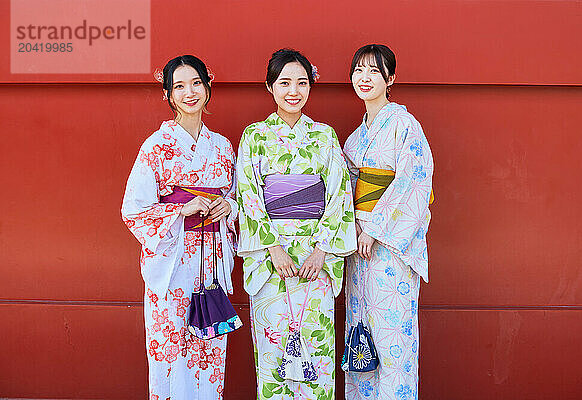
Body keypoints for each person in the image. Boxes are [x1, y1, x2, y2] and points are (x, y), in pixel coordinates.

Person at [236, 48, 356, 399]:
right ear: (270, 87)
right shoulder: (255, 136)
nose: (294, 91)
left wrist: (321, 251)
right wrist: (273, 248)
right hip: (272, 260)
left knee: (317, 352)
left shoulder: (325, 136)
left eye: (302, 82)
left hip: (314, 261)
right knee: (273, 356)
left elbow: (338, 195)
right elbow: (248, 195)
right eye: (284, 82)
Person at [121, 55, 237, 400]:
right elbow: (134, 209)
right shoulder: (156, 147)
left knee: (209, 346)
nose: (190, 92)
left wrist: (227, 206)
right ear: (168, 95)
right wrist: (181, 209)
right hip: (173, 261)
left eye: (196, 83)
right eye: (180, 86)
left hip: (212, 258)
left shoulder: (223, 147)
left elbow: (237, 197)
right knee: (171, 344)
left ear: (208, 86)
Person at [343, 44, 434, 399]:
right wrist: (352, 226)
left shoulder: (403, 125)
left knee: (394, 339)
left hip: (389, 248)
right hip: (358, 244)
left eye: (375, 72)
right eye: (359, 71)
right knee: (362, 337)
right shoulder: (355, 137)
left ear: (390, 79)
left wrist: (375, 229)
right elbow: (344, 189)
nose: (365, 79)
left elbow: (415, 179)